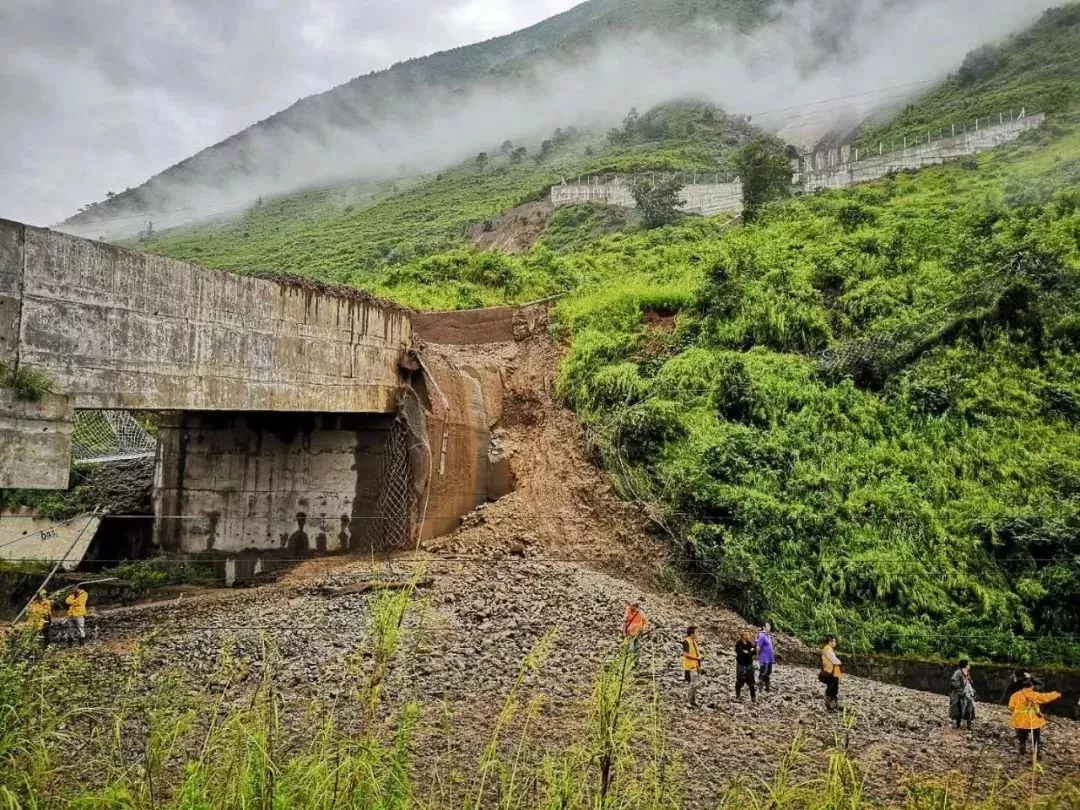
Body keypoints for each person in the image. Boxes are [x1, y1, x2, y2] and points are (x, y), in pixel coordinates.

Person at [1008, 678, 1060, 758]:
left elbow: (1011, 707)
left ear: (1023, 687)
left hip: (1020, 721)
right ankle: (1037, 752)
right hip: (1033, 721)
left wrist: (1018, 713)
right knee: (1036, 737)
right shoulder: (1034, 694)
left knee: (1022, 737)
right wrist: (1056, 694)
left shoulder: (1015, 695)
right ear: (1031, 686)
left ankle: (1022, 751)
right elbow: (1045, 697)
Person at [949, 659, 976, 730]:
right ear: (966, 665)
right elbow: (954, 682)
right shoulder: (958, 672)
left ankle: (969, 726)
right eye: (968, 664)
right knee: (959, 710)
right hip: (960, 694)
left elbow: (970, 683)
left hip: (968, 694)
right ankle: (958, 726)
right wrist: (960, 691)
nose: (969, 666)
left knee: (969, 709)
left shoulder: (967, 673)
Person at [682, 626, 703, 707]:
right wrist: (697, 658)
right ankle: (688, 701)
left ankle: (693, 701)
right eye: (696, 633)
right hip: (690, 666)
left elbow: (696, 654)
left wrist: (699, 665)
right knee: (692, 684)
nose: (697, 634)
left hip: (695, 666)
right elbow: (686, 655)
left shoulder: (694, 642)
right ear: (692, 633)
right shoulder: (686, 641)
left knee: (695, 684)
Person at [820, 636, 842, 711]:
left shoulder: (828, 649)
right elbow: (834, 660)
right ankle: (830, 700)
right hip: (829, 672)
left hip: (830, 671)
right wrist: (839, 662)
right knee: (833, 687)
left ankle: (832, 704)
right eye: (834, 641)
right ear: (830, 641)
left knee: (833, 686)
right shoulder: (828, 649)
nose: (835, 643)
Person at [735, 631, 756, 702]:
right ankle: (738, 694)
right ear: (743, 636)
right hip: (741, 664)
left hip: (749, 664)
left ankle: (753, 697)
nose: (748, 636)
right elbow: (740, 653)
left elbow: (754, 652)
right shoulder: (739, 643)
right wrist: (749, 651)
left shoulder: (749, 643)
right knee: (740, 680)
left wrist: (748, 651)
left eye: (748, 634)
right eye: (746, 635)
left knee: (751, 681)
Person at [757, 622, 775, 691]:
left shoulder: (769, 636)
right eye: (767, 626)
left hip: (770, 657)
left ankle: (767, 688)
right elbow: (758, 647)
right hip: (764, 657)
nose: (769, 627)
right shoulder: (762, 636)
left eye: (769, 626)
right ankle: (760, 688)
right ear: (763, 627)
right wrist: (758, 656)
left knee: (768, 672)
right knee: (763, 672)